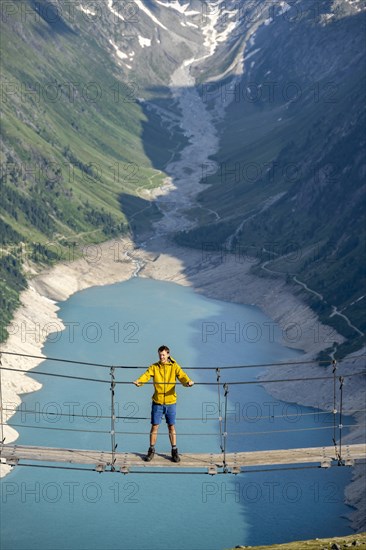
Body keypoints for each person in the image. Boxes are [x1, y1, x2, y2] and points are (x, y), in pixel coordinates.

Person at [133, 345, 194, 462]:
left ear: (168, 355)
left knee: (171, 426)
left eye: (163, 355)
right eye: (160, 355)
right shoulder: (154, 367)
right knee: (154, 426)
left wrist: (188, 382)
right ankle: (151, 451)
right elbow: (146, 375)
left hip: (171, 402)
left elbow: (182, 376)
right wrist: (139, 381)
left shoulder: (174, 366)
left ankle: (174, 451)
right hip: (157, 402)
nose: (161, 357)